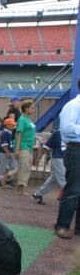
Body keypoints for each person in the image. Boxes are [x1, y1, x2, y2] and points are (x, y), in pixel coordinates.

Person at [54, 78, 80, 239]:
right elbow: (68, 128)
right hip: (76, 149)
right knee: (73, 190)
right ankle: (62, 226)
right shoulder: (73, 105)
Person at [32, 129, 66, 205]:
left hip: (67, 159)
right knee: (64, 180)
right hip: (58, 158)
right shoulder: (57, 133)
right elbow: (46, 146)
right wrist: (39, 157)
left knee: (53, 179)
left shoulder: (74, 131)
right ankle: (72, 200)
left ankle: (38, 194)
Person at [15, 99, 37, 195]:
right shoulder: (22, 119)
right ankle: (21, 188)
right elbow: (19, 134)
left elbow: (29, 132)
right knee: (25, 168)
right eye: (32, 108)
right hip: (24, 146)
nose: (34, 110)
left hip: (29, 147)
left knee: (25, 167)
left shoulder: (28, 119)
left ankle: (8, 177)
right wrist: (17, 149)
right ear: (26, 108)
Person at [0, 118, 18, 189]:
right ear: (8, 125)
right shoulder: (5, 133)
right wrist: (8, 153)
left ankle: (10, 181)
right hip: (4, 153)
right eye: (12, 125)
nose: (13, 126)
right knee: (3, 166)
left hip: (9, 152)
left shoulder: (8, 132)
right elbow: (4, 145)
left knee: (13, 166)